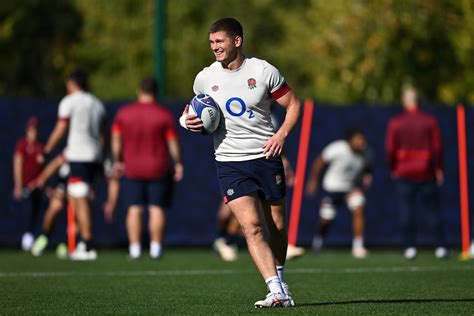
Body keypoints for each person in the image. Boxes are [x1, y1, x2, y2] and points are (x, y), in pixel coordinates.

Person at [179, 18, 301, 308]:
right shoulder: (205, 78)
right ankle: (276, 290)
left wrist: (281, 135)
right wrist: (186, 122)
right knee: (252, 227)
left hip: (266, 157)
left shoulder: (263, 71)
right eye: (211, 43)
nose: (214, 47)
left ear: (237, 41)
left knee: (278, 226)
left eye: (219, 41)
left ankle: (280, 278)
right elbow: (193, 112)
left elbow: (294, 105)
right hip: (230, 161)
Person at [111, 77, 183, 260]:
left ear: (139, 90)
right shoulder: (163, 114)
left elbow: (116, 141)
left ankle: (135, 249)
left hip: (132, 168)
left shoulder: (124, 113)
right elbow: (172, 143)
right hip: (158, 167)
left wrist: (117, 160)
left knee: (134, 208)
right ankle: (155, 249)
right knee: (156, 208)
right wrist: (178, 163)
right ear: (155, 92)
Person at [42, 70, 105, 261]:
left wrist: (45, 151)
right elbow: (105, 135)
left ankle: (87, 245)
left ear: (71, 84)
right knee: (77, 198)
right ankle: (82, 243)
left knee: (80, 199)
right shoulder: (97, 104)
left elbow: (60, 129)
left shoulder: (69, 101)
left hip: (79, 156)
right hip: (94, 156)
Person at [386, 87, 448, 260]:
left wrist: (393, 167)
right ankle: (440, 247)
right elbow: (438, 147)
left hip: (404, 170)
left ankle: (409, 247)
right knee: (433, 210)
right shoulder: (429, 120)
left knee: (406, 211)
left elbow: (390, 149)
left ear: (405, 101)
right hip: (426, 170)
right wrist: (439, 168)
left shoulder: (396, 122)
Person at [213, 154, 296, 262]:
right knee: (224, 215)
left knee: (250, 221)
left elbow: (277, 146)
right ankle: (222, 240)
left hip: (260, 167)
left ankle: (228, 242)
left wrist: (286, 164)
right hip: (235, 166)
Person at [306, 129, 372, 259]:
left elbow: (366, 173)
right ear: (350, 140)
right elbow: (320, 161)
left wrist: (363, 183)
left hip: (350, 189)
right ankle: (318, 241)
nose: (361, 142)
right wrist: (313, 181)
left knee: (358, 208)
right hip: (332, 188)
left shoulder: (366, 154)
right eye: (358, 139)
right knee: (326, 219)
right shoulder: (338, 148)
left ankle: (358, 247)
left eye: (362, 139)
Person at [13, 117, 44, 251]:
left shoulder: (40, 146)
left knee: (37, 211)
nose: (34, 133)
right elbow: (17, 164)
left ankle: (33, 238)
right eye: (31, 130)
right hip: (26, 185)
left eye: (35, 130)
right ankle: (26, 239)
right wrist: (19, 185)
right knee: (28, 210)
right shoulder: (22, 145)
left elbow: (44, 168)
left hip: (37, 186)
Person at [30, 154, 69, 258]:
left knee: (78, 212)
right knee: (55, 206)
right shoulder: (65, 157)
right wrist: (41, 180)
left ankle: (67, 243)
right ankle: (44, 237)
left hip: (78, 193)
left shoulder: (86, 159)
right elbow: (53, 165)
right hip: (63, 192)